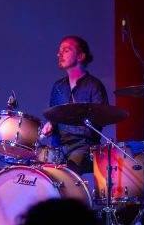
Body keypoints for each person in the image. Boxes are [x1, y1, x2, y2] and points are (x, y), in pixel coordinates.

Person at [40, 36, 108, 175]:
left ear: (80, 56)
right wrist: (50, 124)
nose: (59, 54)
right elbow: (54, 117)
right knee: (40, 170)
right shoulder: (58, 86)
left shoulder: (94, 86)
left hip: (84, 147)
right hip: (59, 148)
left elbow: (100, 119)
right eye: (60, 51)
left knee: (70, 171)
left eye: (66, 50)